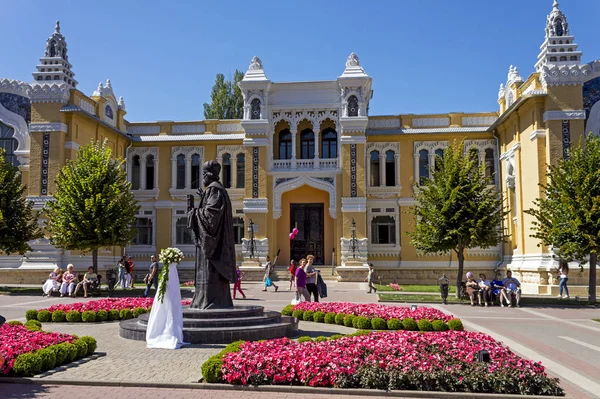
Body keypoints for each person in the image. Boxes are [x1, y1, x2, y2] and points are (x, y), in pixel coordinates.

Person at [187, 160, 237, 309]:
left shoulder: (214, 190)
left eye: (203, 175)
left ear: (209, 175)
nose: (202, 178)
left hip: (213, 248)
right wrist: (203, 200)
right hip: (218, 243)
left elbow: (211, 217)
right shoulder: (216, 190)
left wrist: (194, 212)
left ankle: (209, 302)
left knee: (210, 273)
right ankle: (209, 301)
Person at [146, 256, 185, 350]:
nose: (152, 259)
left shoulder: (166, 274)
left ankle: (165, 333)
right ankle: (170, 333)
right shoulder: (170, 275)